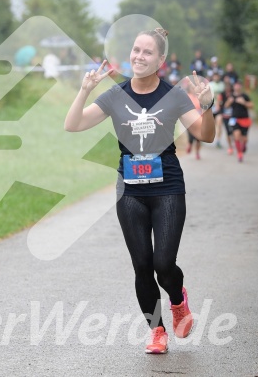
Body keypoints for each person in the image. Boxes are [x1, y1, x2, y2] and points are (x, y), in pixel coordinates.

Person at [64, 28, 215, 354]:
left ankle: (178, 300)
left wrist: (208, 106)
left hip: (168, 189)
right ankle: (156, 330)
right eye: (136, 50)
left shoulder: (174, 95)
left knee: (163, 263)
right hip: (130, 192)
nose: (139, 57)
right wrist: (84, 91)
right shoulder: (115, 95)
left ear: (160, 60)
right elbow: (73, 124)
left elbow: (206, 134)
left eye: (148, 52)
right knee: (142, 264)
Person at [225, 81, 253, 162]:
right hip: (234, 119)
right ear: (234, 87)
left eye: (238, 86)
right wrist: (229, 102)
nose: (237, 87)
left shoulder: (245, 96)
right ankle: (239, 154)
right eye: (235, 86)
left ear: (241, 87)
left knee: (244, 139)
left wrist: (244, 102)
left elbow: (251, 106)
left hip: (244, 119)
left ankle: (244, 145)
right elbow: (226, 106)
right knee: (236, 135)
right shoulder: (231, 96)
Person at [218, 81, 235, 154]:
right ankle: (230, 146)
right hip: (225, 116)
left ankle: (234, 142)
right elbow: (220, 104)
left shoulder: (234, 95)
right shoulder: (222, 94)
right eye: (226, 87)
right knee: (228, 131)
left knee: (234, 130)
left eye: (229, 87)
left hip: (233, 116)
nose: (227, 88)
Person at [208, 72, 225, 148]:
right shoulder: (210, 84)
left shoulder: (222, 85)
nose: (216, 78)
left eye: (217, 76)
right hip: (211, 107)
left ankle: (218, 141)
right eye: (215, 76)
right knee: (210, 126)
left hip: (219, 107)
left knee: (219, 123)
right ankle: (203, 137)